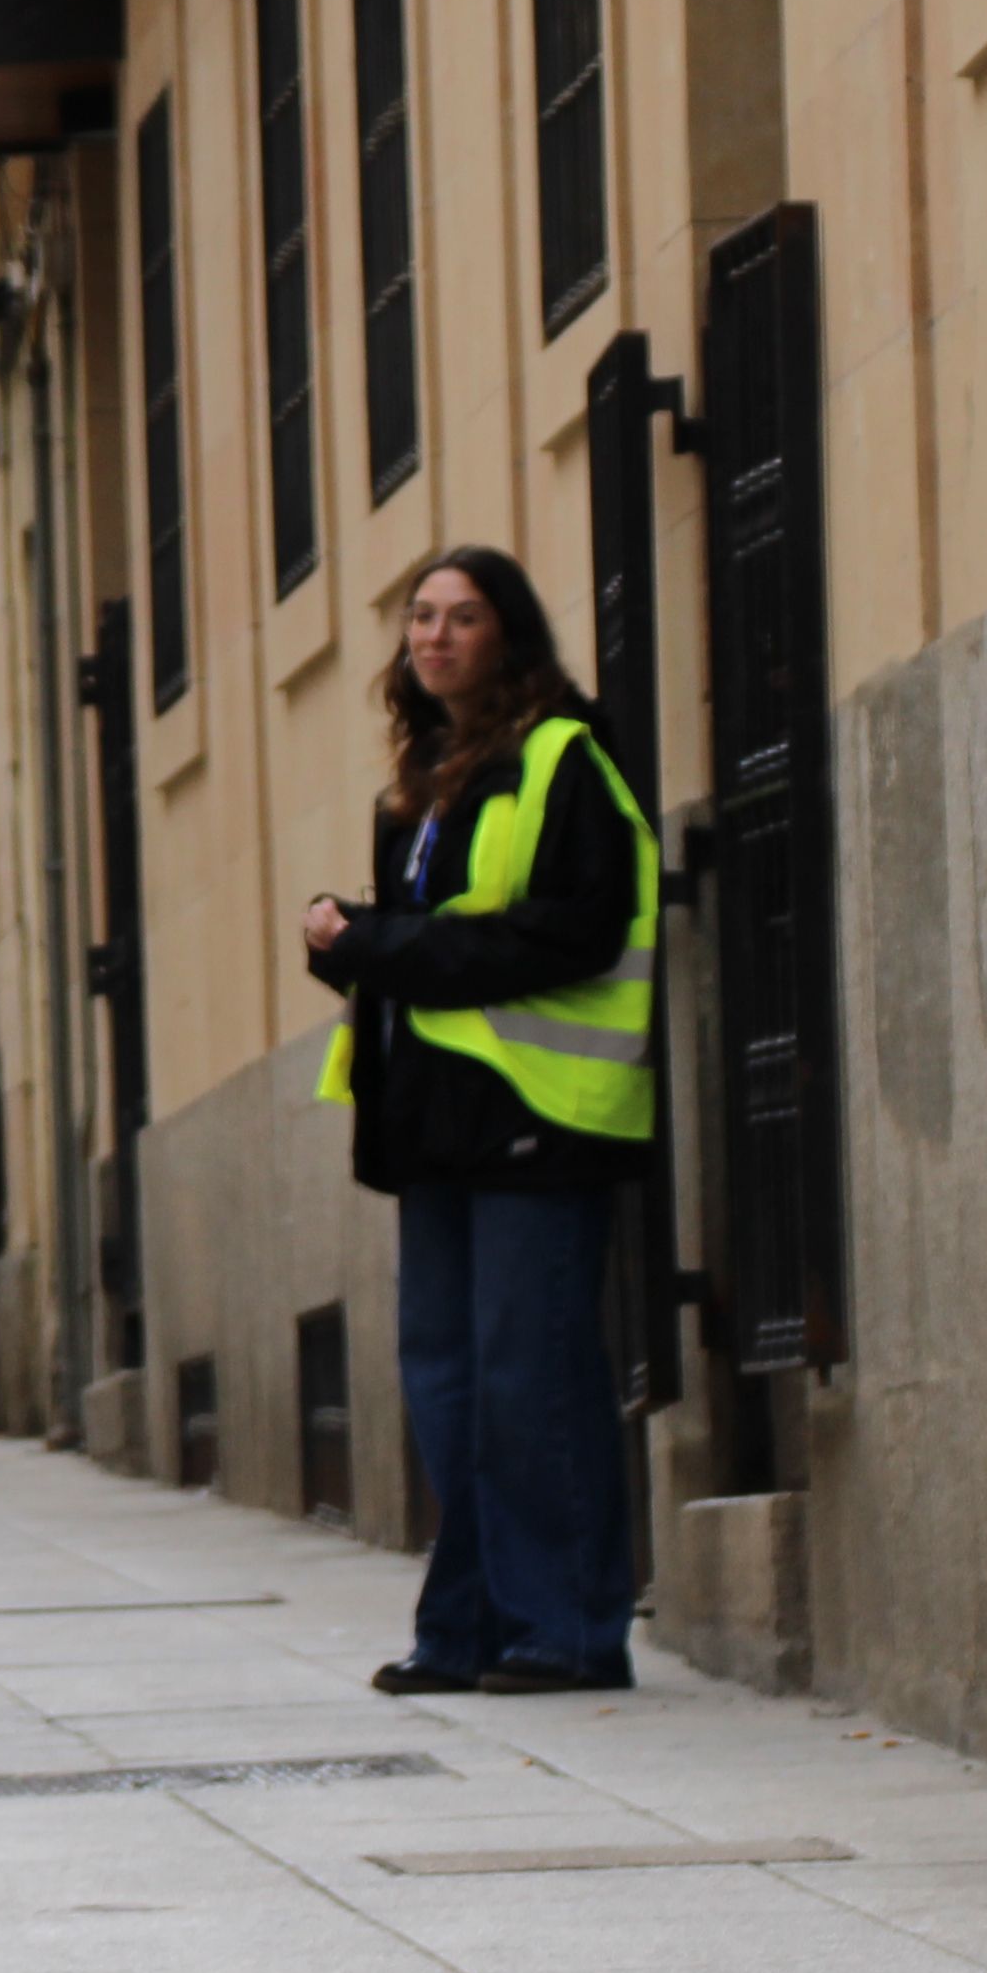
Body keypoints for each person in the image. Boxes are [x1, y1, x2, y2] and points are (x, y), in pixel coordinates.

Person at [300, 545, 663, 1701]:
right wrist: (353, 948)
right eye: (420, 615)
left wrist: (383, 945)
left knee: (529, 1379)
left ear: (508, 634)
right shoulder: (416, 786)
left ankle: (566, 1633)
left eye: (462, 616)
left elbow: (572, 931)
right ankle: (464, 1627)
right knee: (448, 1386)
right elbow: (427, 949)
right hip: (432, 1130)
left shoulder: (565, 755)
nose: (436, 635)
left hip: (538, 1121)